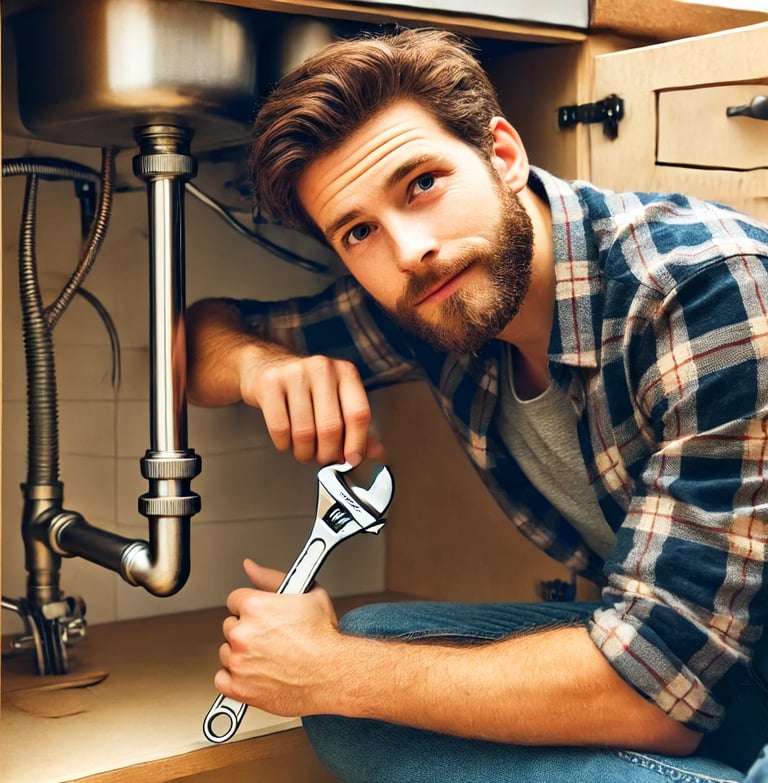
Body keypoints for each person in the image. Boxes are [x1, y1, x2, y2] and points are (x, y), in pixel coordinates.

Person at [185, 27, 768, 783]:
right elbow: (199, 338)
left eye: (421, 183)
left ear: (502, 153)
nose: (407, 249)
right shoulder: (437, 303)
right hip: (719, 659)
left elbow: (652, 690)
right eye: (358, 231)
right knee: (357, 686)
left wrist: (330, 668)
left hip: (682, 676)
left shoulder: (705, 294)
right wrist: (262, 366)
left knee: (348, 680)